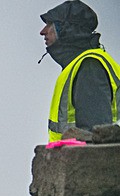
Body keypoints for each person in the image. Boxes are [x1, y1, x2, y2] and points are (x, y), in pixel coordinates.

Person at [39, 0, 120, 141]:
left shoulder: (90, 66)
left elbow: (96, 138)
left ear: (65, 29)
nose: (43, 31)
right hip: (70, 161)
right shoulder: (80, 65)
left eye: (50, 25)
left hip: (86, 162)